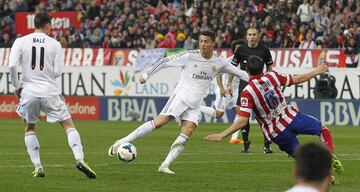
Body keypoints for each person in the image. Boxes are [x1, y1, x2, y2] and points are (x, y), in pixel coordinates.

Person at [108, 30, 249, 174]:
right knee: (161, 121)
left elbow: (241, 74)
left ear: (213, 43)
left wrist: (260, 80)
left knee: (187, 131)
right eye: (201, 41)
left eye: (206, 41)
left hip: (195, 103)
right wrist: (146, 75)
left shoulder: (219, 62)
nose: (203, 44)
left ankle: (165, 165)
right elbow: (164, 62)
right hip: (181, 96)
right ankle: (122, 141)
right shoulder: (189, 56)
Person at [204, 55, 344, 178]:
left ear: (246, 71)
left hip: (276, 132)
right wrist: (317, 71)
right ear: (263, 68)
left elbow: (242, 120)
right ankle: (329, 154)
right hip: (291, 118)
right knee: (322, 129)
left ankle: (325, 176)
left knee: (302, 159)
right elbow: (298, 79)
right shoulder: (272, 76)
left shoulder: (247, 92)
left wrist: (223, 135)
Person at [8, 12, 96, 179]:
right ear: (47, 25)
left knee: (29, 127)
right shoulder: (55, 44)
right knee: (68, 125)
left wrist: (17, 86)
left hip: (29, 91)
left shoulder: (20, 41)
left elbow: (12, 65)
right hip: (50, 90)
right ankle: (80, 159)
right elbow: (57, 72)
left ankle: (38, 166)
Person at [229, 27, 274, 153]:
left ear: (258, 36)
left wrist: (269, 80)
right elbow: (232, 68)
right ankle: (246, 142)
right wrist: (229, 83)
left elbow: (270, 66)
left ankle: (267, 143)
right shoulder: (241, 50)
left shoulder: (264, 50)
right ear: (246, 37)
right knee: (244, 115)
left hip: (260, 86)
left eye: (255, 34)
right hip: (245, 86)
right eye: (250, 34)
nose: (252, 37)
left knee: (264, 115)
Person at [200, 39, 244, 144]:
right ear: (233, 50)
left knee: (241, 113)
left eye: (241, 48)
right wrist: (222, 88)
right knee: (218, 115)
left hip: (235, 90)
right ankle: (195, 107)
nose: (239, 51)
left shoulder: (245, 61)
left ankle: (234, 138)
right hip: (225, 89)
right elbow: (218, 73)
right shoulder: (228, 60)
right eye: (237, 49)